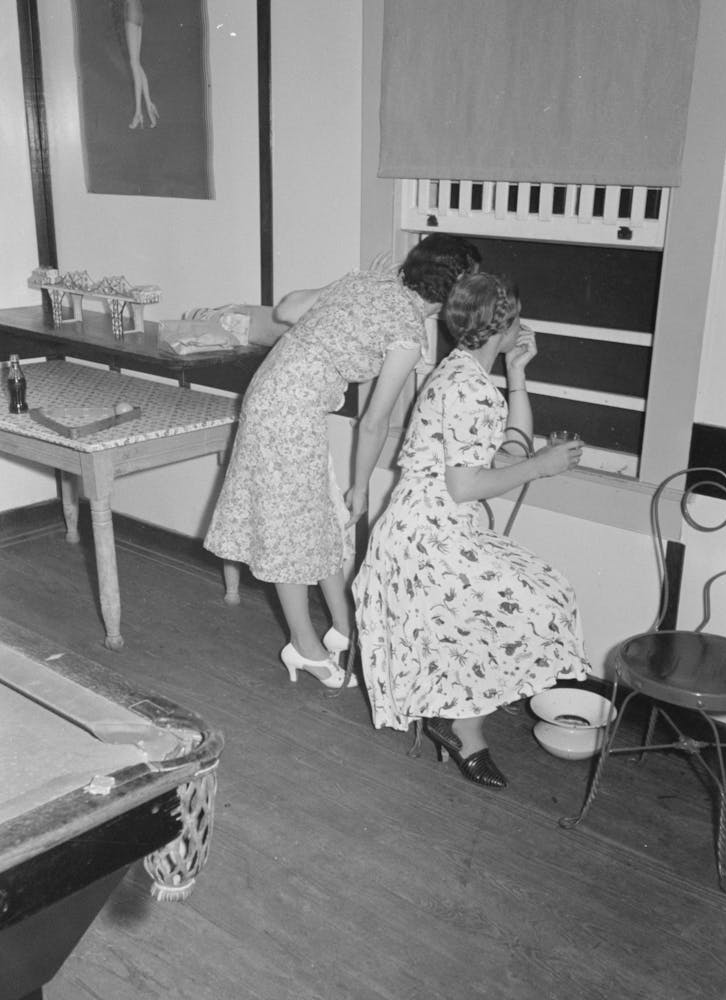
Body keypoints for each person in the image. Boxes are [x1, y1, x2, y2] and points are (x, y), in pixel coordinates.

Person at [204, 235, 482, 689]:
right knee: (290, 534)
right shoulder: (409, 332)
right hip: (288, 411)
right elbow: (373, 422)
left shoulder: (368, 284)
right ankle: (304, 647)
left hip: (276, 397)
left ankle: (343, 628)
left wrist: (346, 289)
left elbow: (291, 309)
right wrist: (362, 484)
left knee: (321, 517)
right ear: (455, 292)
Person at [352, 271, 590, 789]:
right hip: (425, 538)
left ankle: (457, 720)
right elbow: (467, 486)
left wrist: (518, 374)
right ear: (502, 324)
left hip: (436, 528)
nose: (523, 327)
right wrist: (542, 468)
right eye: (518, 320)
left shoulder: (466, 372)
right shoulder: (467, 389)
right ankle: (462, 727)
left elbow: (511, 449)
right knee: (542, 604)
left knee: (545, 595)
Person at [119, 0, 159, 129]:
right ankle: (149, 105)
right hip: (138, 10)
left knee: (134, 62)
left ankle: (138, 112)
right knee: (137, 62)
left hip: (130, 9)